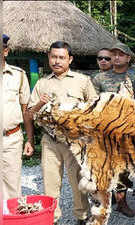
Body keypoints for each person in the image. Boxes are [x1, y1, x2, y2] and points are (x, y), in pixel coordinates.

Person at [28, 41, 97, 225]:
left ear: (70, 59)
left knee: (78, 183)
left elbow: (95, 109)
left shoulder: (83, 81)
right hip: (50, 141)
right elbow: (30, 113)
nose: (57, 61)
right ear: (49, 58)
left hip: (75, 141)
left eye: (61, 57)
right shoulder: (42, 84)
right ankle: (53, 218)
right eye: (53, 57)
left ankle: (82, 217)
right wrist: (39, 104)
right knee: (51, 183)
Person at [91, 42, 135, 217]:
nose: (116, 57)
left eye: (121, 54)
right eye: (114, 54)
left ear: (128, 58)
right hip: (104, 132)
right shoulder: (99, 78)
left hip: (126, 133)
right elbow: (93, 104)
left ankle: (121, 201)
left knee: (124, 169)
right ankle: (104, 200)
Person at [1, 34, 35, 201]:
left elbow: (26, 111)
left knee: (12, 185)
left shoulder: (19, 76)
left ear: (5, 51)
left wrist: (29, 139)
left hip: (10, 139)